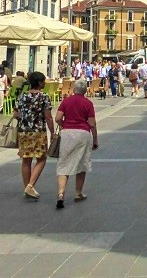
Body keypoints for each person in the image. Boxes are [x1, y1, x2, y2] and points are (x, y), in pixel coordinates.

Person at [54, 79, 98, 208]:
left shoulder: (66, 101)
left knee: (64, 162)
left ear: (74, 89)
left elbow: (57, 118)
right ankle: (78, 193)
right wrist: (95, 139)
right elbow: (92, 123)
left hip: (67, 133)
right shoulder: (88, 103)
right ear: (85, 90)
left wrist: (64, 125)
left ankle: (61, 193)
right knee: (82, 162)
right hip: (82, 133)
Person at [13, 71, 55, 199]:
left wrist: (25, 116)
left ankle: (27, 187)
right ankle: (30, 186)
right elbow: (48, 117)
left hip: (24, 131)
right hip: (38, 131)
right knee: (41, 158)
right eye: (43, 81)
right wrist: (52, 132)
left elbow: (15, 114)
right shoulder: (43, 97)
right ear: (40, 82)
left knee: (26, 160)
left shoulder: (22, 96)